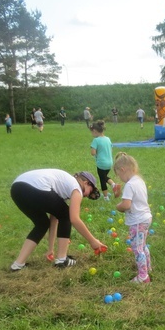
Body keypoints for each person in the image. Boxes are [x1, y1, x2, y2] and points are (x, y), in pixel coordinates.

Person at [9, 169, 105, 270]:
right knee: (66, 215)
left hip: (17, 189)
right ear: (86, 183)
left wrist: (50, 249)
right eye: (90, 191)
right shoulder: (77, 188)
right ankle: (62, 260)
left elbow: (54, 218)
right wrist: (93, 241)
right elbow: (74, 219)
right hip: (35, 187)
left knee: (42, 224)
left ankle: (18, 265)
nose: (87, 195)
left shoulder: (63, 187)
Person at [113, 153, 152, 283]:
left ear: (122, 170)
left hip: (137, 220)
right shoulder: (139, 181)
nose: (120, 178)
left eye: (119, 174)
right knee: (143, 245)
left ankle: (143, 276)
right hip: (146, 217)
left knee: (137, 248)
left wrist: (118, 206)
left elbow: (126, 205)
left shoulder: (129, 185)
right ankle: (148, 267)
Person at [90, 120, 117, 201]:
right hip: (109, 163)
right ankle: (113, 185)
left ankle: (106, 196)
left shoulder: (96, 140)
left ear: (94, 131)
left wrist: (97, 152)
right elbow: (111, 149)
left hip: (101, 163)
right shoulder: (107, 139)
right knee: (104, 176)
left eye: (92, 132)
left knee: (102, 179)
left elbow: (93, 153)